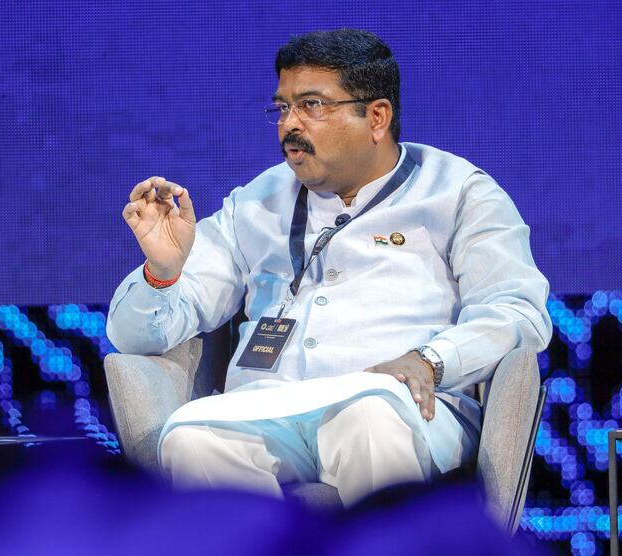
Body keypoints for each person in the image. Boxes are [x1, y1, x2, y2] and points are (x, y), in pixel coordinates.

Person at [106, 29, 552, 507]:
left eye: (312, 105)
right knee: (192, 438)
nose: (289, 125)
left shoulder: (458, 192)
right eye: (282, 108)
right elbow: (134, 338)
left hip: (399, 402)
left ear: (376, 117)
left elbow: (518, 312)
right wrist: (163, 271)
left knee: (368, 417)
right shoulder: (255, 203)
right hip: (266, 405)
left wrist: (431, 360)